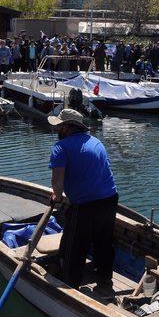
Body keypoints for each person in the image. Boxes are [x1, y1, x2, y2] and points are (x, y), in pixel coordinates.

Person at [47, 109, 118, 289]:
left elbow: (57, 182)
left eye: (59, 127)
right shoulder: (96, 141)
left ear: (68, 128)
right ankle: (105, 283)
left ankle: (70, 284)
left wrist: (56, 196)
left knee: (75, 245)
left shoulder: (60, 148)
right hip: (110, 199)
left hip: (84, 205)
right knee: (104, 242)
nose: (57, 131)